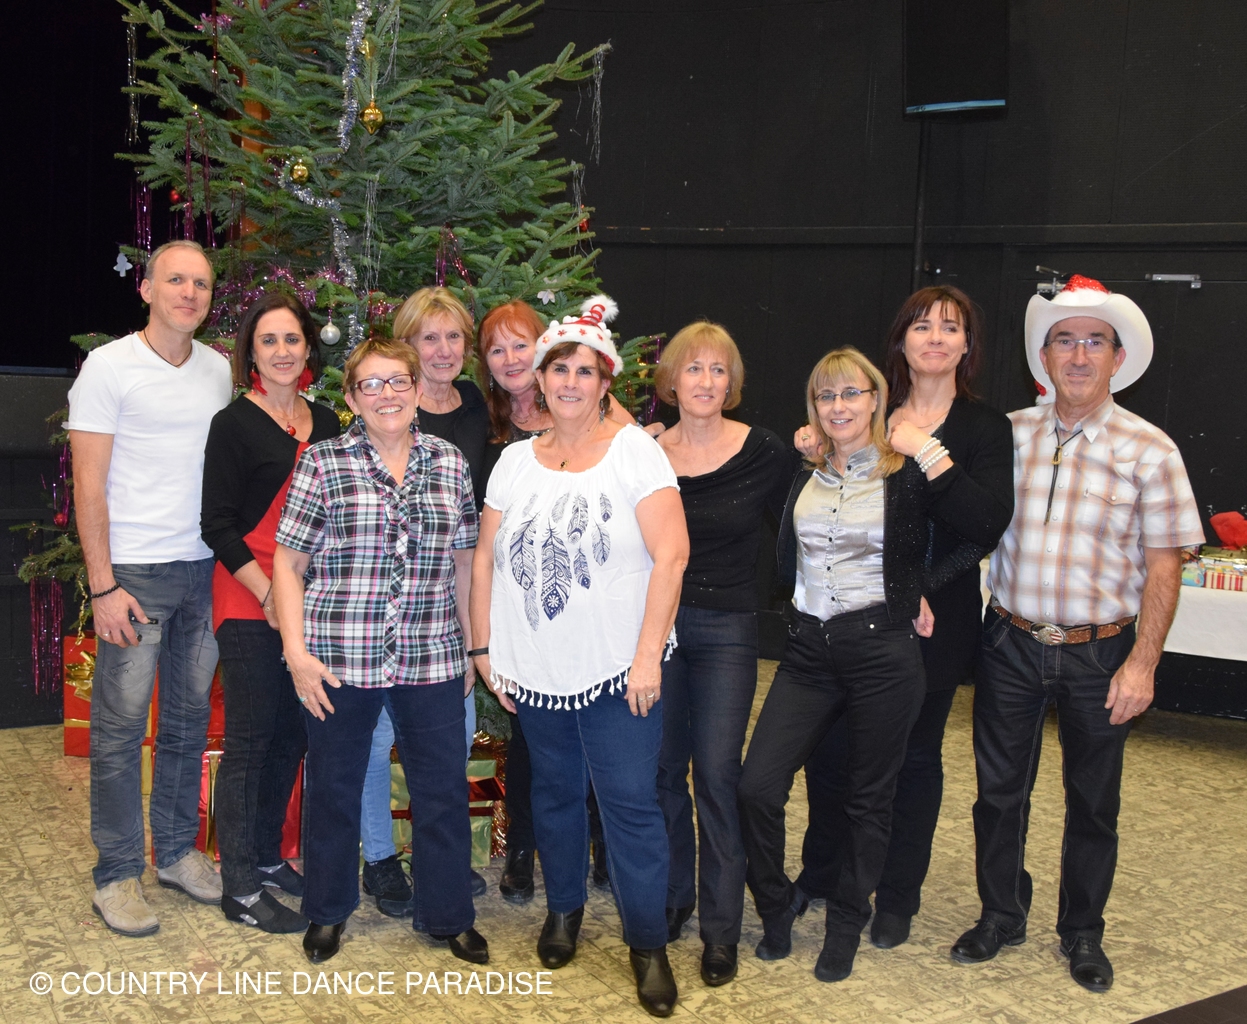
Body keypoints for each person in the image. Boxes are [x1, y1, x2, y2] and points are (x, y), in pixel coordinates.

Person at [949, 275, 1203, 992]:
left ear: (1118, 359)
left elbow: (1164, 567)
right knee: (998, 794)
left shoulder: (1150, 449)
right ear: (1044, 357)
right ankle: (1001, 913)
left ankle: (1082, 931)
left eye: (1095, 341)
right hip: (1009, 642)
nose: (1079, 355)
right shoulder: (1004, 436)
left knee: (1093, 802)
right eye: (1064, 341)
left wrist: (1142, 664)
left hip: (1102, 652)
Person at [470, 297, 689, 1018]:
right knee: (555, 796)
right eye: (558, 368)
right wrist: (484, 646)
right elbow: (484, 559)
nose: (569, 382)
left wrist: (648, 658)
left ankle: (647, 944)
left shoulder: (634, 452)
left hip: (620, 670)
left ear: (604, 382)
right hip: (536, 668)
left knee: (629, 804)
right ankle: (562, 911)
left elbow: (671, 556)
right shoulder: (513, 462)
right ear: (539, 378)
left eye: (584, 371)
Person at [793, 286, 1014, 949]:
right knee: (833, 752)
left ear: (967, 345)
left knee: (912, 759)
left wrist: (926, 451)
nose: (935, 338)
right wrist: (813, 448)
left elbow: (983, 524)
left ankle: (896, 895)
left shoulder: (984, 427)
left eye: (951, 327)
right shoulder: (867, 411)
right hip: (850, 615)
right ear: (901, 341)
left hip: (934, 618)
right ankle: (823, 873)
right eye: (921, 326)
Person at [272, 338, 486, 966]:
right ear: (351, 396)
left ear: (417, 390)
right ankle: (327, 911)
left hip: (431, 655)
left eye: (398, 381)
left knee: (441, 792)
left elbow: (465, 563)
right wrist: (296, 652)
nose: (387, 394)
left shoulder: (449, 463)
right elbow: (288, 564)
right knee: (334, 790)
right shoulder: (323, 463)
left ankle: (448, 915)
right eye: (371, 383)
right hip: (340, 659)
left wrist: (472, 647)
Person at [738, 346, 946, 984]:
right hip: (808, 650)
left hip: (882, 651)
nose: (838, 406)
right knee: (756, 787)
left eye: (851, 393)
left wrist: (918, 588)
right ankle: (776, 908)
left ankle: (846, 924)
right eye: (825, 396)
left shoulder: (905, 471)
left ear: (876, 399)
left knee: (868, 800)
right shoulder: (801, 471)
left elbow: (978, 526)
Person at [67, 239, 232, 936]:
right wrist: (103, 586)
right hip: (134, 575)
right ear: (147, 289)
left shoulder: (219, 369)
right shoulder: (108, 368)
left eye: (201, 283)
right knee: (119, 728)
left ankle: (175, 853)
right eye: (175, 280)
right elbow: (88, 485)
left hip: (205, 572)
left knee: (188, 722)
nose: (189, 293)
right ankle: (116, 874)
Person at [475, 298, 640, 904]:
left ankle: (601, 845)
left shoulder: (596, 412)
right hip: (521, 615)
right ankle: (525, 849)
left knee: (597, 739)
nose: (511, 358)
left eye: (521, 344)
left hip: (591, 616)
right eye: (497, 349)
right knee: (534, 748)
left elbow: (634, 465)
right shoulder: (487, 427)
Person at [651, 321, 795, 988]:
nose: (705, 381)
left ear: (731, 383)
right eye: (693, 368)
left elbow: (808, 524)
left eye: (717, 370)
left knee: (715, 776)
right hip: (656, 628)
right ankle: (674, 898)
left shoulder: (764, 451)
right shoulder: (646, 453)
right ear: (671, 380)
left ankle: (721, 929)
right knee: (660, 773)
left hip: (728, 630)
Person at [200, 292, 341, 932]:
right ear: (251, 354)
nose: (282, 351)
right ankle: (239, 889)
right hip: (248, 594)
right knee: (251, 742)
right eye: (268, 340)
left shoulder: (329, 421)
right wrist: (267, 596)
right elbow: (217, 524)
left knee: (292, 735)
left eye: (292, 339)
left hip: (309, 601)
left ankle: (264, 856)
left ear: (308, 347)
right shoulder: (233, 424)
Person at [357, 286, 486, 914]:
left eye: (454, 336)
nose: (442, 350)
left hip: (447, 611)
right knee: (375, 742)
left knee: (450, 741)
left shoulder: (479, 407)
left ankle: (441, 861)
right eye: (428, 338)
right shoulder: (385, 413)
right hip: (377, 619)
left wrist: (472, 639)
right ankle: (380, 859)